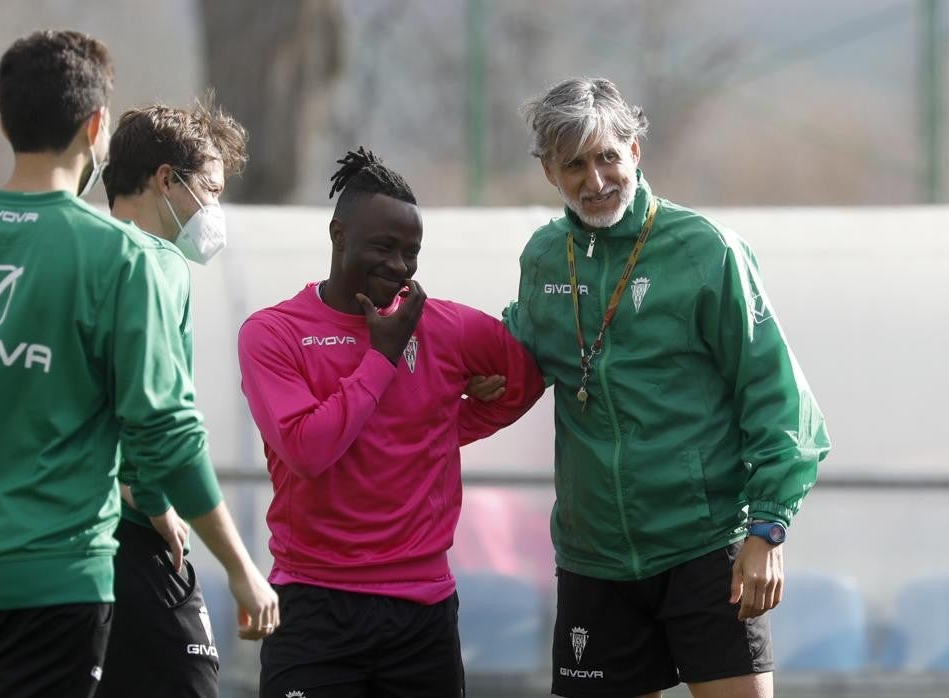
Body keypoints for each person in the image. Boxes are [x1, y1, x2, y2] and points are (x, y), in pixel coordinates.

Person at [0, 31, 276, 698]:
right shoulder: (125, 258)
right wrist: (240, 566)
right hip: (59, 573)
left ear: (4, 122)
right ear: (96, 126)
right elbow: (165, 431)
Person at [504, 77, 830, 698]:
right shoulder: (543, 258)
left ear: (635, 151)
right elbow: (513, 353)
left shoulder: (705, 249)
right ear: (549, 171)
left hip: (706, 547)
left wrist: (768, 527)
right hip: (592, 557)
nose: (595, 182)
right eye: (574, 164)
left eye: (607, 157)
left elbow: (776, 395)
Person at [238, 147, 546, 697]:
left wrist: (442, 427)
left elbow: (522, 379)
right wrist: (380, 359)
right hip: (313, 607)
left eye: (412, 252)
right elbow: (307, 450)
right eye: (384, 247)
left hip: (421, 613)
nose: (400, 266)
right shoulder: (273, 333)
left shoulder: (445, 326)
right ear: (338, 236)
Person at [96, 97, 255, 698]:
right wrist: (154, 497)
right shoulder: (159, 262)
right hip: (137, 531)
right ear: (166, 180)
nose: (214, 210)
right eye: (210, 191)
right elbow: (160, 415)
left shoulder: (74, 253)